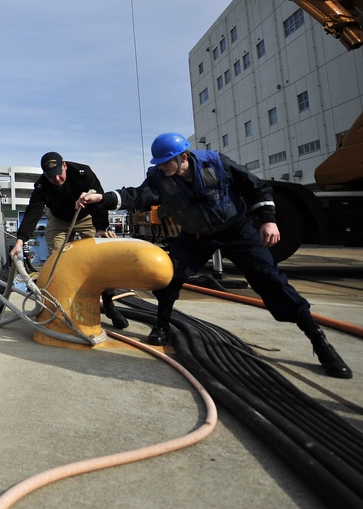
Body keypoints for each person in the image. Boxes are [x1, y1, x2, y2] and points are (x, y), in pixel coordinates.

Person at [77, 132, 352, 379]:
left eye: (165, 162)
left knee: (271, 280)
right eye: (159, 163)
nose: (160, 167)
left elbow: (257, 187)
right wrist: (101, 198)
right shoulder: (159, 177)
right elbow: (136, 195)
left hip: (236, 230)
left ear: (182, 157)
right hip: (195, 236)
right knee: (168, 276)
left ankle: (320, 343)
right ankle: (162, 325)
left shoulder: (217, 163)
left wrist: (268, 219)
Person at [9, 152, 127, 329]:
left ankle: (109, 304)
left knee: (102, 260)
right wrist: (20, 241)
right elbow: (33, 212)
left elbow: (99, 198)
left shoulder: (82, 172)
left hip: (87, 216)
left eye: (59, 173)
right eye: (51, 176)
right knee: (58, 259)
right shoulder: (42, 186)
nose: (57, 179)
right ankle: (63, 303)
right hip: (59, 220)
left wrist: (102, 228)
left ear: (64, 165)